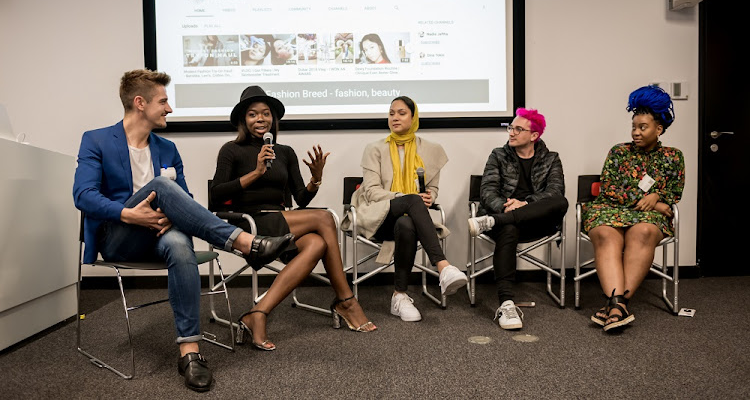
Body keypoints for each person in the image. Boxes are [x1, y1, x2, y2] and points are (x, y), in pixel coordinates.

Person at [73, 70, 292, 392]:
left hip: (161, 233)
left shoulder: (167, 148)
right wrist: (130, 215)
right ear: (139, 103)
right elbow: (83, 195)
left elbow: (185, 200)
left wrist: (165, 218)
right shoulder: (97, 140)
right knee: (163, 184)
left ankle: (190, 351)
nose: (169, 109)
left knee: (179, 245)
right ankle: (245, 242)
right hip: (119, 235)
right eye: (163, 101)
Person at [210, 86, 376, 350]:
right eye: (253, 115)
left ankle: (258, 312)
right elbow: (217, 195)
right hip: (249, 224)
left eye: (266, 114)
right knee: (324, 219)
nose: (260, 119)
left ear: (274, 120)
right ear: (244, 120)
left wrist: (316, 178)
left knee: (317, 243)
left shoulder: (285, 152)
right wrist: (256, 172)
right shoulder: (231, 150)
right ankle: (346, 300)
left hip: (281, 220)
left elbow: (302, 199)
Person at [342, 96, 467, 322]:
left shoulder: (431, 150)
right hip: (378, 218)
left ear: (413, 117)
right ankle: (443, 266)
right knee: (411, 202)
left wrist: (430, 197)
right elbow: (371, 192)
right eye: (391, 113)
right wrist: (406, 197)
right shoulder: (374, 149)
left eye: (401, 113)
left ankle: (399, 296)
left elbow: (432, 188)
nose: (395, 118)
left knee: (407, 223)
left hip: (410, 222)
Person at [583, 85, 684, 332]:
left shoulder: (674, 156)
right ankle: (619, 306)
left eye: (643, 127)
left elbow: (675, 191)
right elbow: (609, 189)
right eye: (634, 127)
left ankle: (615, 305)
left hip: (648, 217)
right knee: (606, 234)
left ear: (658, 129)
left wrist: (659, 196)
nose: (636, 132)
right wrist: (653, 200)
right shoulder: (618, 152)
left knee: (643, 233)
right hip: (610, 208)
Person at [468, 108, 568, 330]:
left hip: (535, 221)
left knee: (562, 202)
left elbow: (555, 191)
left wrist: (526, 203)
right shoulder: (498, 155)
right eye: (511, 128)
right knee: (509, 228)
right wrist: (505, 208)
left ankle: (496, 221)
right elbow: (487, 191)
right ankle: (506, 303)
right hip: (506, 220)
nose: (511, 133)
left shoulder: (551, 159)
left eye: (518, 129)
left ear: (534, 135)